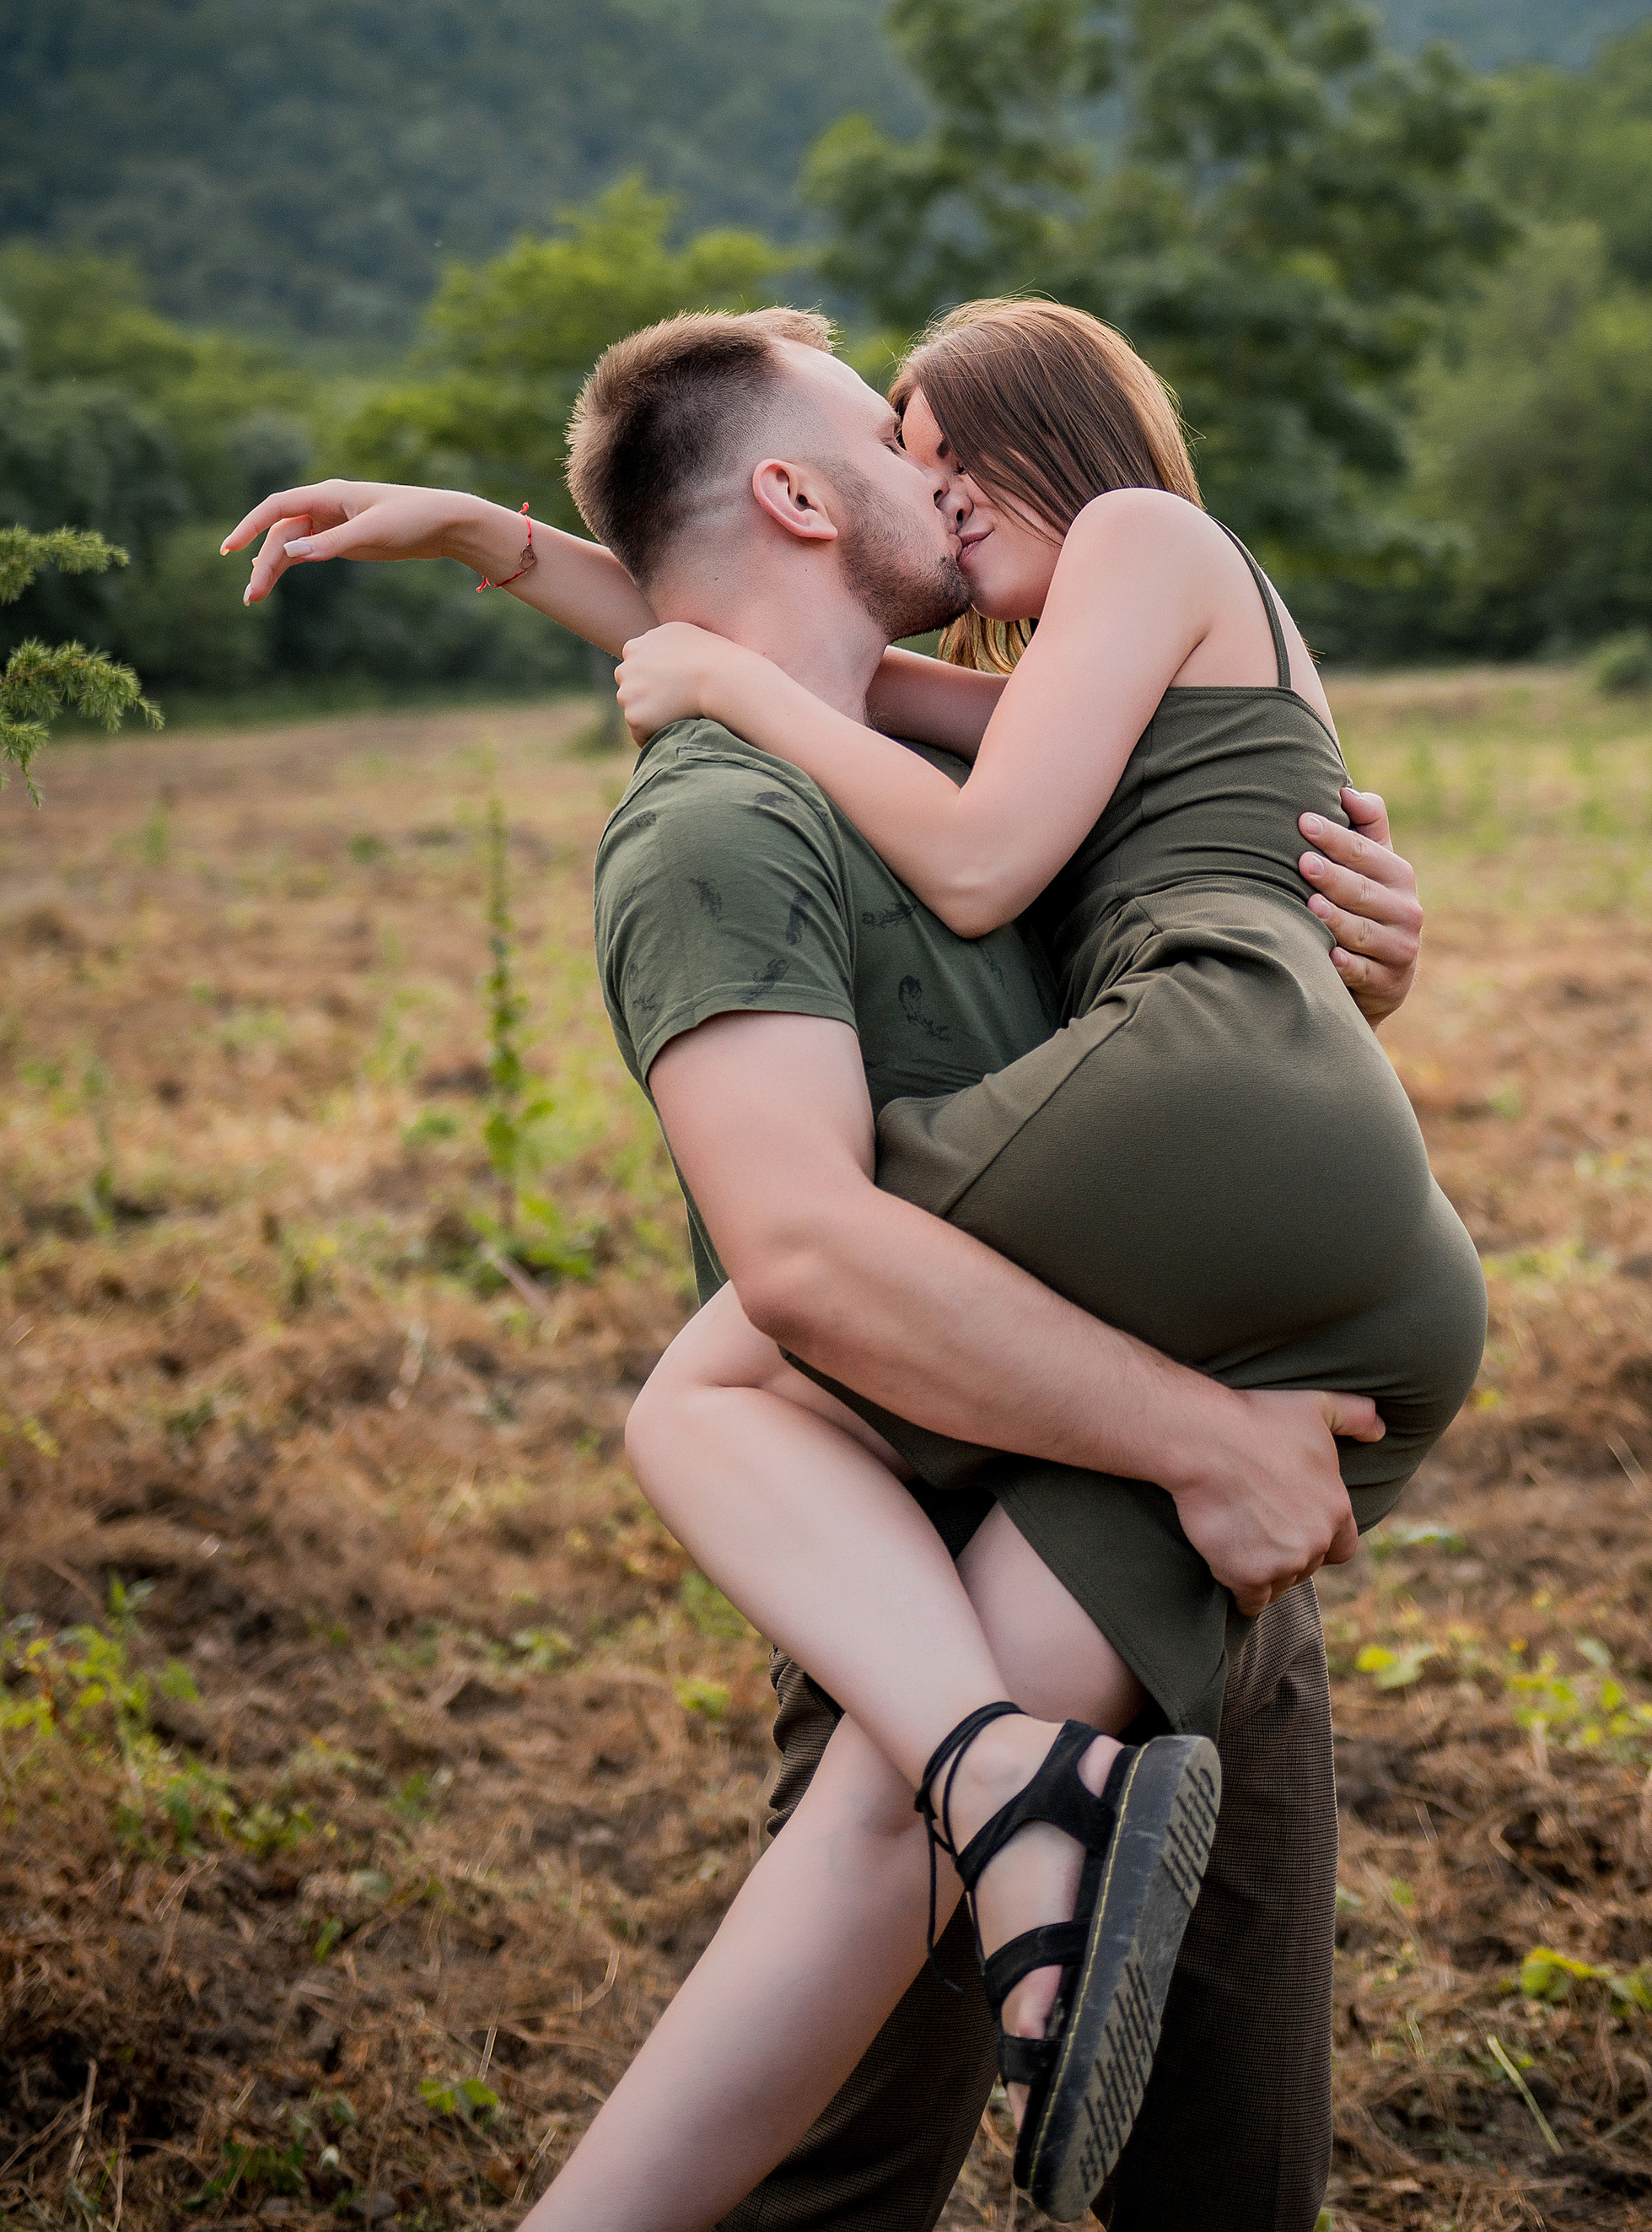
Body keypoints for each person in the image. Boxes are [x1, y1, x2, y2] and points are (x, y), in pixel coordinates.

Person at [220, 309, 1450, 2231]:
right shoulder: (731, 825)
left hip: (1199, 1527)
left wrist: (1338, 953)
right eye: (891, 440)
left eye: (936, 435)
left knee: (1231, 2179)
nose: (927, 474)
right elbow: (808, 1251)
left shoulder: (1077, 624)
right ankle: (981, 1771)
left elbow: (892, 756)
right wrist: (501, 544)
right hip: (977, 1546)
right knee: (833, 2172)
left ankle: (997, 1774)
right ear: (801, 491)